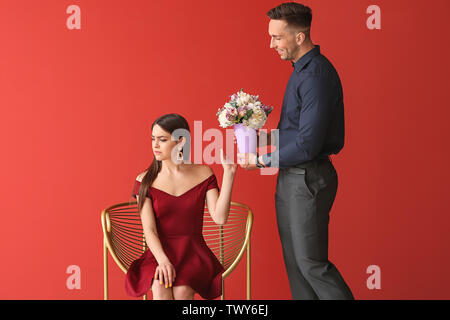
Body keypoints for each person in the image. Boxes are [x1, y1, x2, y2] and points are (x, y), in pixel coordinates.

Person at [238, 3, 354, 299]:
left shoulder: (316, 75)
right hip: (293, 177)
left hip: (308, 178)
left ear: (299, 37)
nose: (272, 44)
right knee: (296, 265)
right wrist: (262, 137)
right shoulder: (301, 72)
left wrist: (261, 159)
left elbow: (308, 144)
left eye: (277, 38)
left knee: (310, 264)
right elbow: (297, 133)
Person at [125, 113, 237, 300]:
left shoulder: (203, 172)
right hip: (158, 253)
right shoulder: (144, 180)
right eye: (153, 139)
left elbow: (219, 217)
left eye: (162, 139)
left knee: (183, 290)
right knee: (160, 286)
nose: (155, 145)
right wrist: (163, 261)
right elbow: (149, 230)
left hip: (194, 253)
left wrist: (229, 174)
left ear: (181, 141)